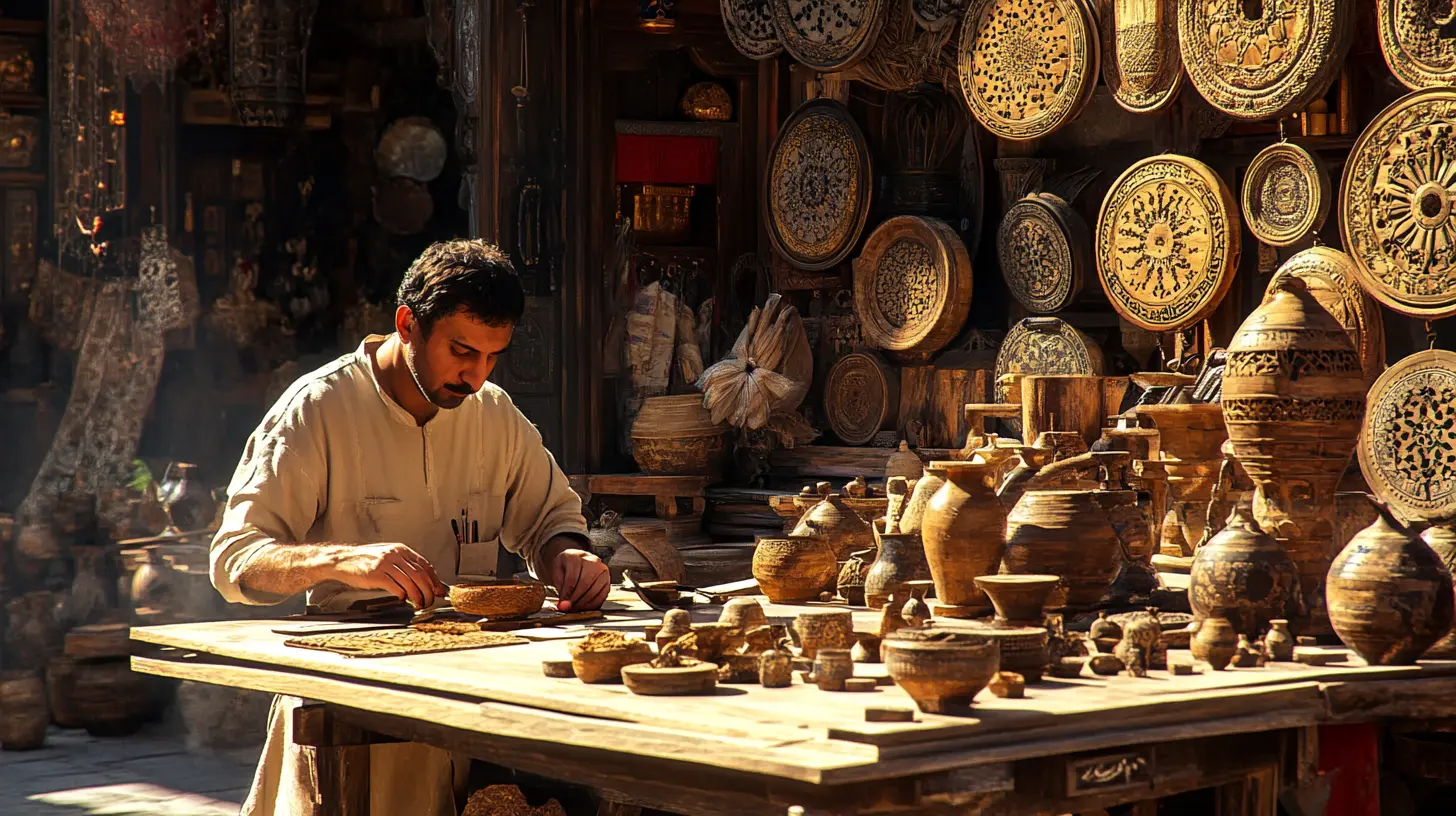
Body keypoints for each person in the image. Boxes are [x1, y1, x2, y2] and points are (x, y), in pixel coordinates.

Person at [209, 239, 607, 816]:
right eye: (462, 351)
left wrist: (569, 557)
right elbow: (234, 559)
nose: (475, 376)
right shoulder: (318, 409)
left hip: (467, 707)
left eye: (493, 357)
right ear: (407, 325)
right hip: (347, 708)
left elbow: (551, 519)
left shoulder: (493, 415)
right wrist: (343, 561)